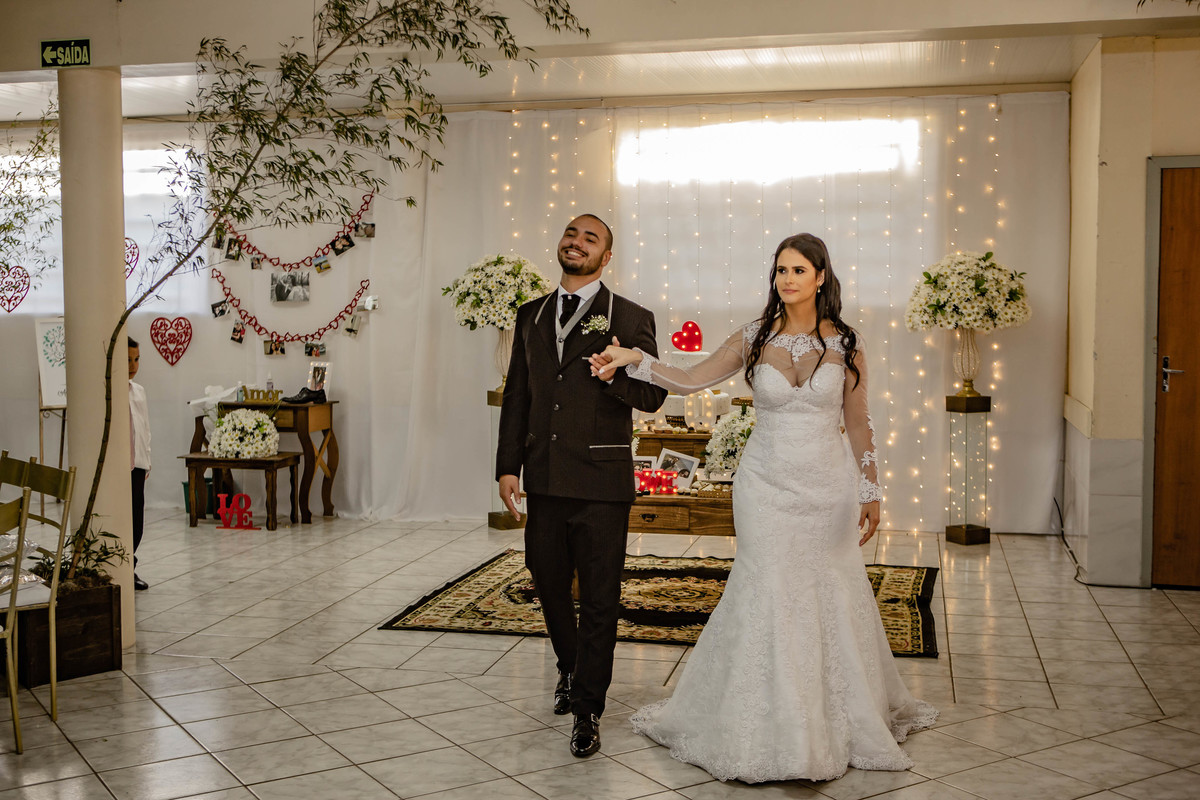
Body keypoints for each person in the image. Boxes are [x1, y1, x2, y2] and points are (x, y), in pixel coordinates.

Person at [589, 233, 937, 783]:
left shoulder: (846, 342)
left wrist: (871, 490)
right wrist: (636, 359)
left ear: (821, 276)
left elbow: (858, 423)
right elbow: (690, 377)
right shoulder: (754, 337)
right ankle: (764, 720)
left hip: (828, 488)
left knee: (828, 590)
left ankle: (832, 716)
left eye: (799, 270)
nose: (788, 279)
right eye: (780, 270)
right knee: (767, 586)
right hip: (765, 485)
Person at [496, 214, 668, 758]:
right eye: (572, 234)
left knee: (599, 597)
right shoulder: (530, 315)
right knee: (546, 582)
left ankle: (587, 707)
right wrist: (507, 467)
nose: (577, 242)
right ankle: (570, 667)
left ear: (606, 257)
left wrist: (616, 374)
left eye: (591, 238)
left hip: (600, 479)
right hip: (544, 475)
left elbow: (654, 396)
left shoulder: (632, 317)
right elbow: (517, 396)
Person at [128, 337, 151, 591]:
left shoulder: (139, 391)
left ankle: (130, 566)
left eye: (136, 360)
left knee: (137, 519)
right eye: (127, 360)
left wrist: (147, 460)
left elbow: (144, 428)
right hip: (120, 467)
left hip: (138, 465)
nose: (133, 365)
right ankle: (120, 566)